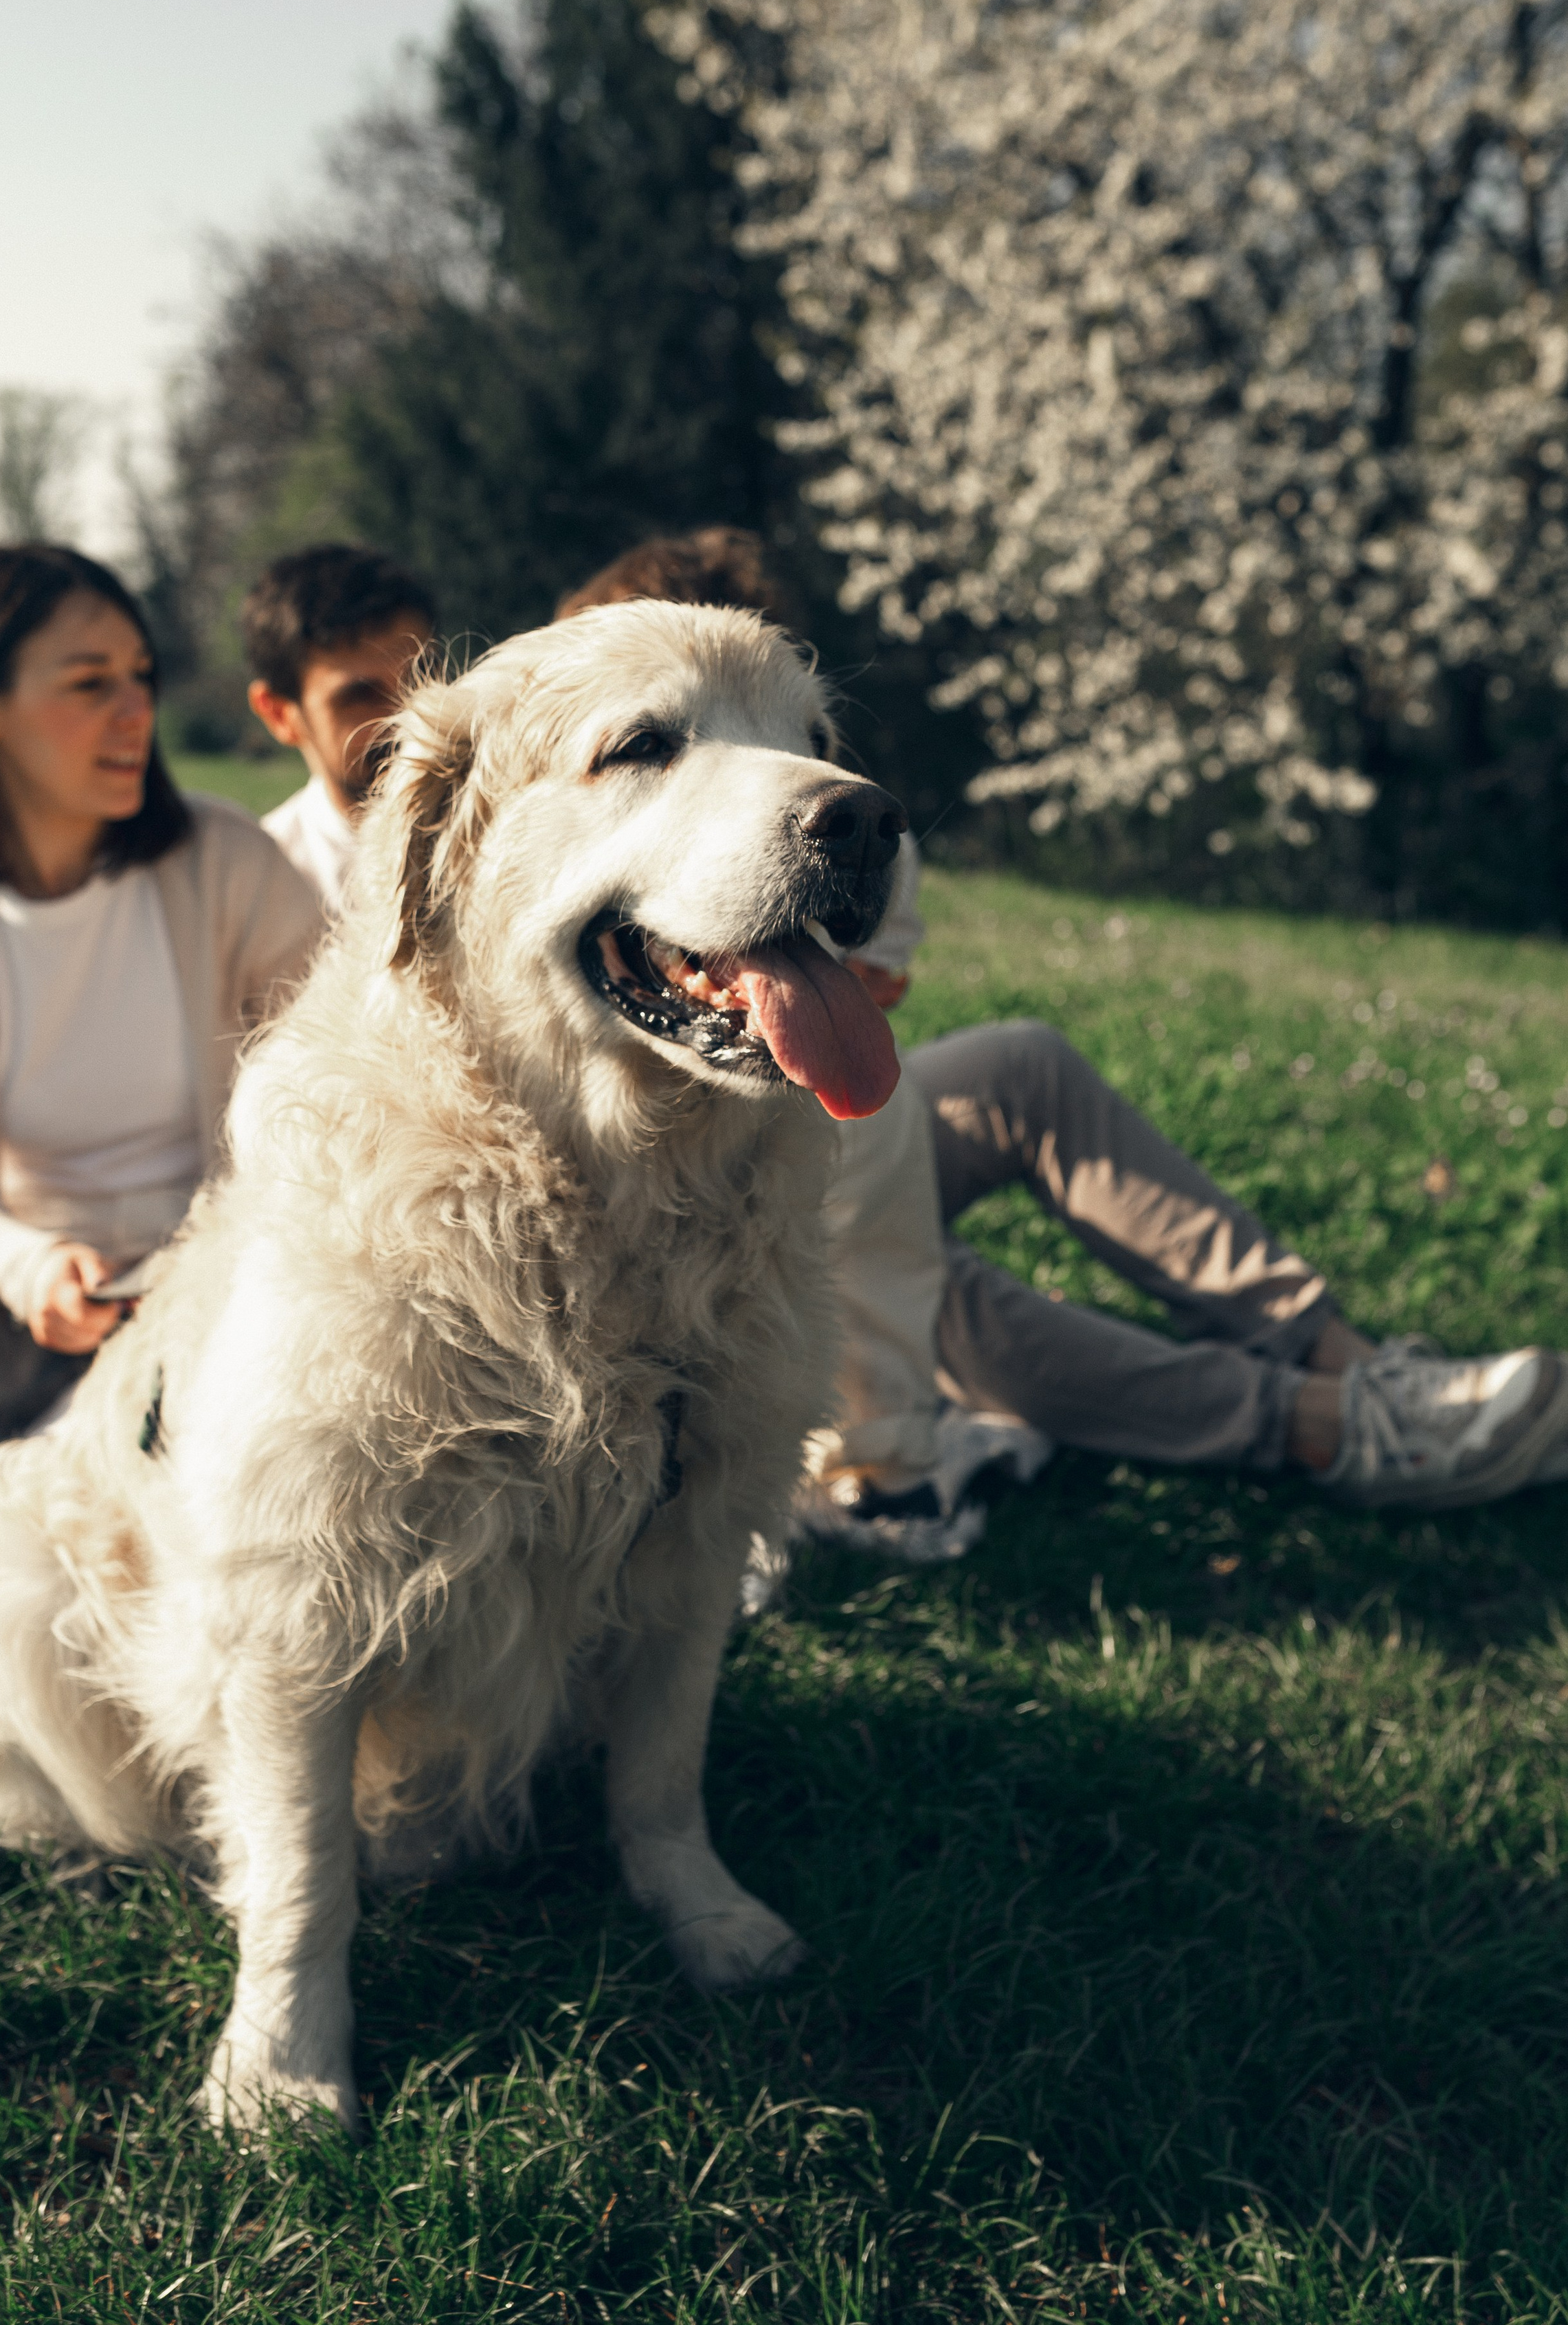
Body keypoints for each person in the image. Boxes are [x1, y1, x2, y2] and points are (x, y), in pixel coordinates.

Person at [554, 529, 1568, 1555]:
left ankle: (1345, 1358)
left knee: (1014, 1069)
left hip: (777, 1101)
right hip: (623, 1195)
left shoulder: (819, 817)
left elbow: (869, 986)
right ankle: (1325, 1431)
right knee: (893, 1237)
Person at [0, 543, 321, 1504]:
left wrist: (204, 1273)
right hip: (8, 1294)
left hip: (228, 1284)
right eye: (91, 684)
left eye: (140, 677)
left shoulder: (225, 863)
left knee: (77, 1493)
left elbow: (340, 1076)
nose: (136, 712)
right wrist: (31, 1267)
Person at [244, 545, 437, 912]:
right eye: (362, 696)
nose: (411, 717)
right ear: (279, 715)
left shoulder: (508, 840)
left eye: (424, 677)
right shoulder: (261, 890)